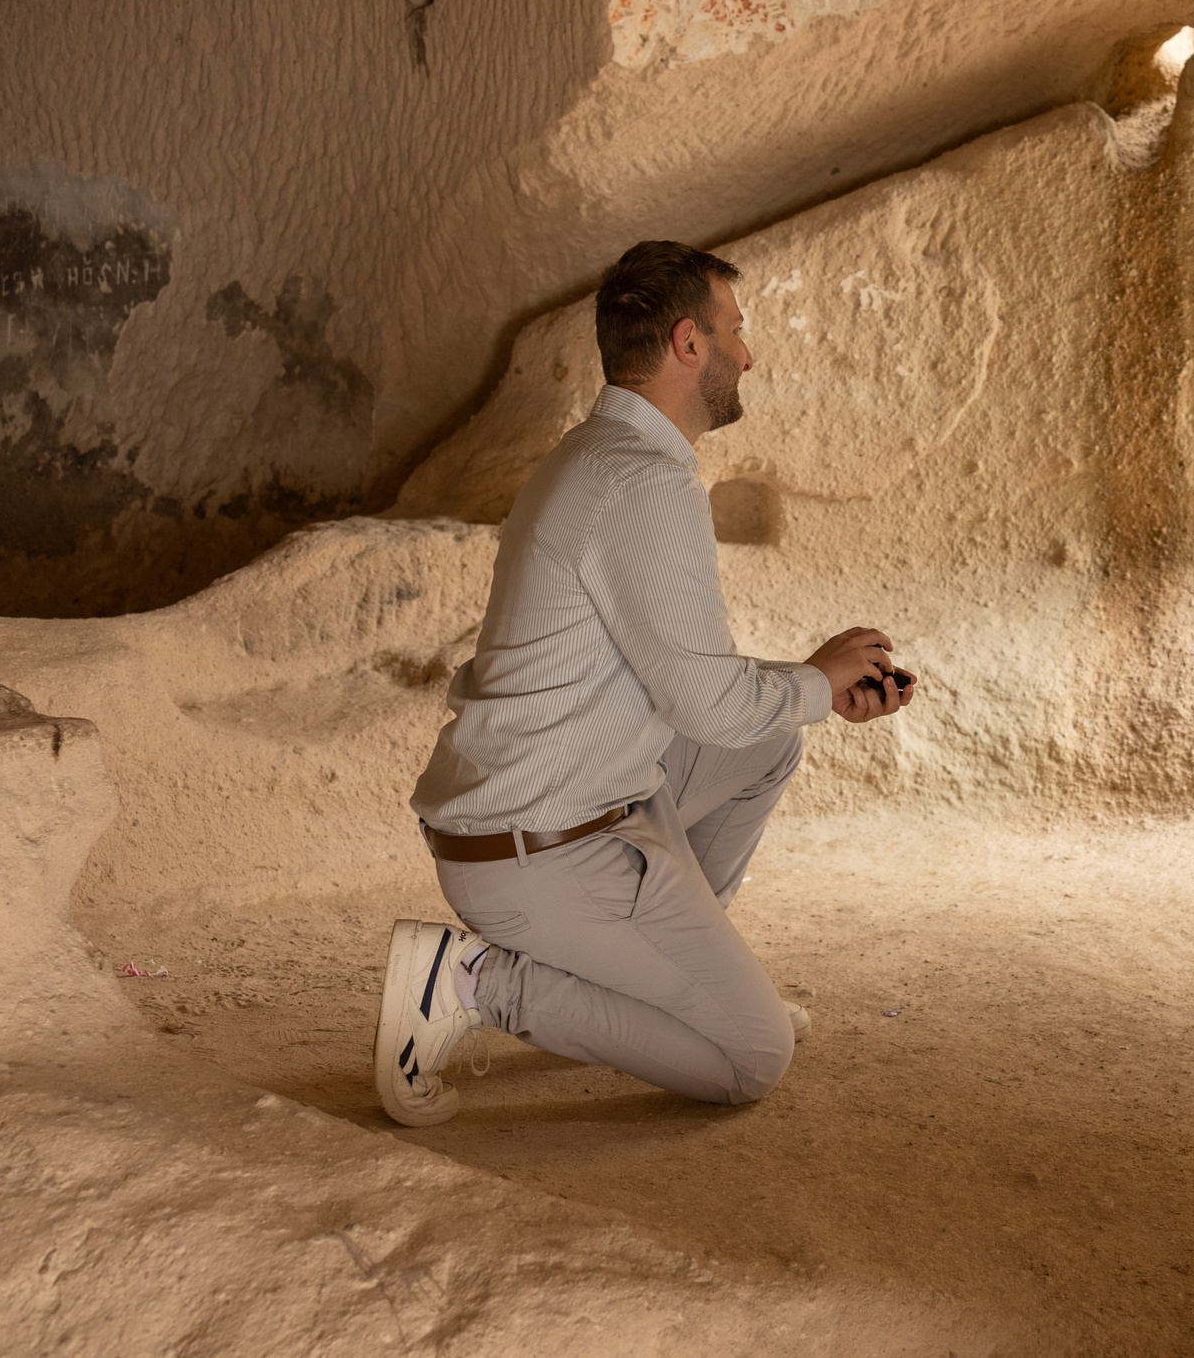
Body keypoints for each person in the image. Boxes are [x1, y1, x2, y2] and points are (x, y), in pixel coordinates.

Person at [372, 240, 913, 1126]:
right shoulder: (644, 483)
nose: (751, 353)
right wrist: (814, 679)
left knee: (768, 735)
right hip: (541, 849)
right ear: (687, 343)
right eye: (736, 331)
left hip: (567, 804)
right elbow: (702, 702)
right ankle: (476, 981)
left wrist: (812, 688)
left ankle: (680, 983)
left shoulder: (595, 454)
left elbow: (686, 683)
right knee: (752, 1056)